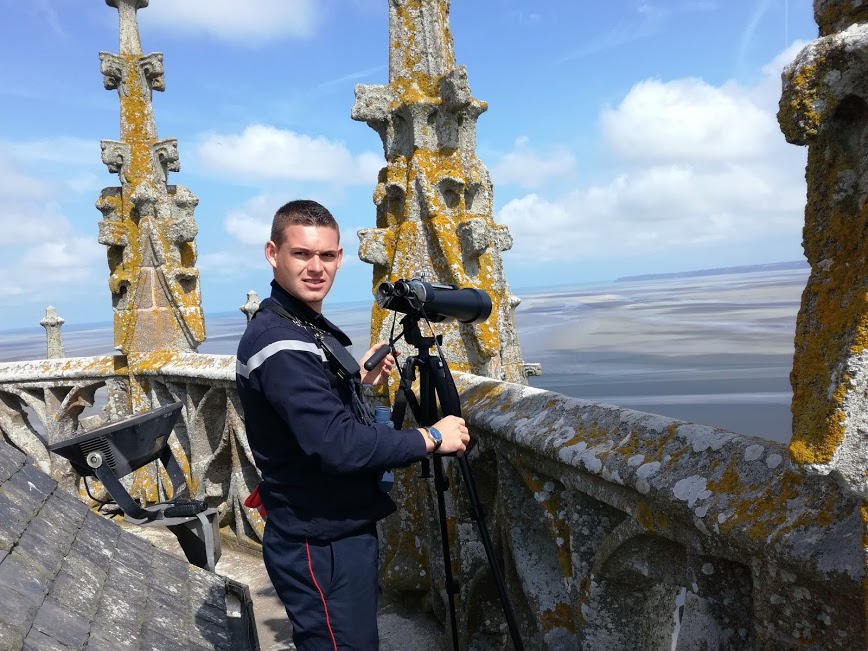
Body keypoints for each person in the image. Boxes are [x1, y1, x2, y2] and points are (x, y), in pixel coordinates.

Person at [236, 199, 470, 650]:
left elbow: (304, 407)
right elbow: (337, 445)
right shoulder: (280, 343)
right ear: (273, 253)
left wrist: (351, 379)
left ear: (340, 257)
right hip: (319, 541)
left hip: (327, 528)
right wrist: (431, 437)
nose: (316, 267)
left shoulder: (296, 322)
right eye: (302, 254)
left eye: (326, 255)